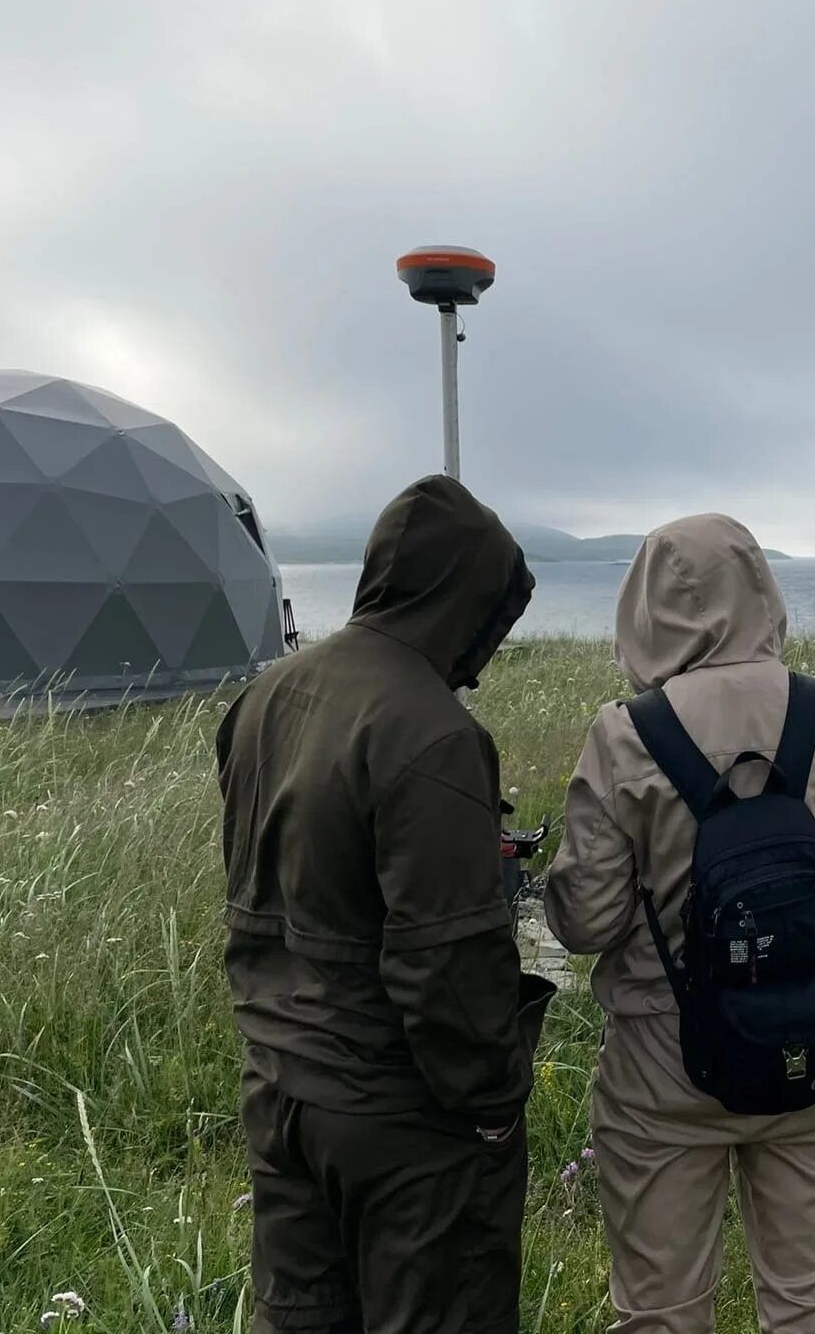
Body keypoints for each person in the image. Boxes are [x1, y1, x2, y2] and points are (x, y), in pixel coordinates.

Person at [545, 513, 815, 1334]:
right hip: (813, 1049)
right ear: (762, 594)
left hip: (663, 1070)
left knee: (660, 1311)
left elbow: (588, 921)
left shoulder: (625, 736)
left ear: (644, 608)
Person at [216, 474, 554, 1334]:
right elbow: (449, 960)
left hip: (280, 1086)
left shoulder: (265, 697)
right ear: (464, 599)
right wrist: (489, 1106)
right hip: (401, 1121)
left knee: (300, 1318)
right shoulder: (433, 731)